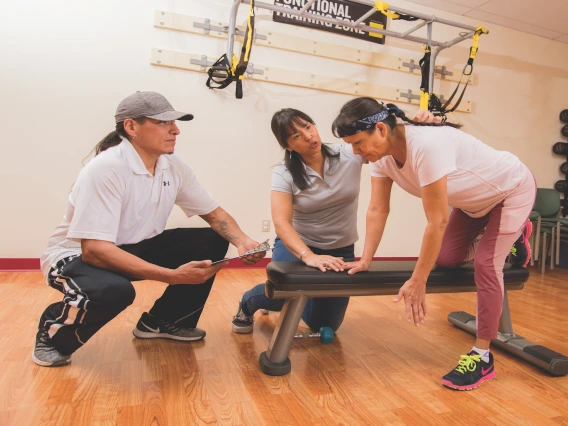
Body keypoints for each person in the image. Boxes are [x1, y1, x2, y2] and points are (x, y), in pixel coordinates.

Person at [33, 91, 265, 367]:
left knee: (211, 239)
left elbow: (214, 214)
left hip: (133, 247)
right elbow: (95, 251)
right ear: (131, 127)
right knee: (115, 292)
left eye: (175, 124)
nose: (176, 130)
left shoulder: (173, 166)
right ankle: (53, 334)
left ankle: (164, 321)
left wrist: (244, 241)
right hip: (75, 257)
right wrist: (170, 276)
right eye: (164, 123)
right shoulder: (106, 168)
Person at [332, 97, 534, 391]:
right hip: (471, 206)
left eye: (358, 142)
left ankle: (482, 356)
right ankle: (512, 236)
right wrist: (366, 258)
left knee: (486, 264)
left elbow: (436, 221)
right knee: (448, 259)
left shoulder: (426, 146)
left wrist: (418, 279)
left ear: (380, 129)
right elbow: (377, 210)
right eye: (350, 145)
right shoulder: (382, 159)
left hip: (509, 191)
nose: (356, 152)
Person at [231, 108, 366, 334]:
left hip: (340, 248)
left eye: (307, 127)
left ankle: (296, 298)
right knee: (285, 293)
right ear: (288, 146)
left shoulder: (349, 153)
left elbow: (387, 146)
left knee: (324, 324)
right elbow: (281, 222)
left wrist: (421, 126)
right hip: (298, 245)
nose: (308, 136)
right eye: (296, 136)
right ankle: (249, 302)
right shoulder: (285, 172)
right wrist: (309, 256)